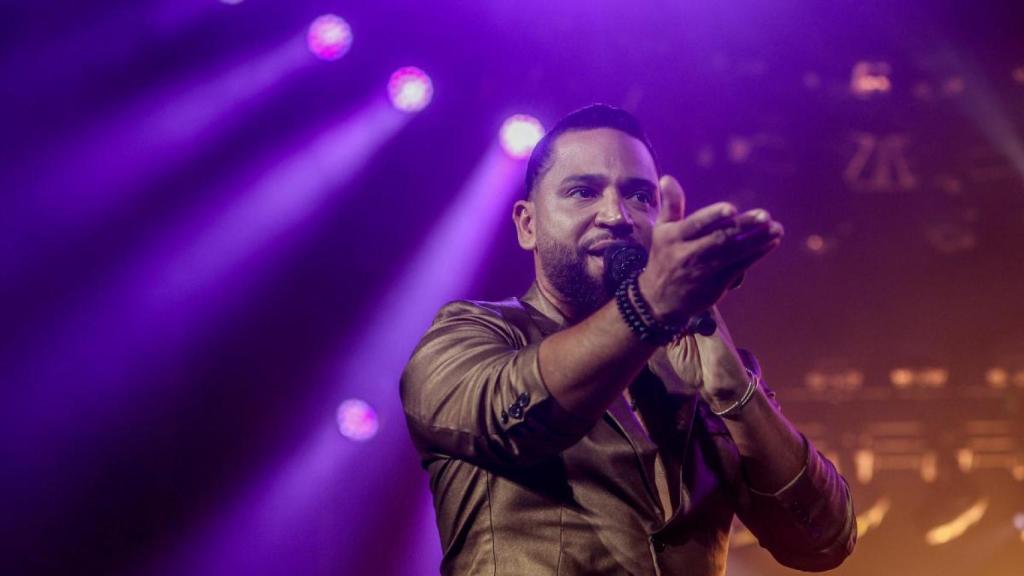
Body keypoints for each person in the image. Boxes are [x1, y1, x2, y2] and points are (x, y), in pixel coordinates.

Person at [400, 104, 856, 575]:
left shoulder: (698, 363)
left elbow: (822, 542)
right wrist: (648, 307)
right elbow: (512, 420)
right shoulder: (471, 335)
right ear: (528, 224)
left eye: (640, 196)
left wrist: (733, 394)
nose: (617, 215)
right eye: (583, 192)